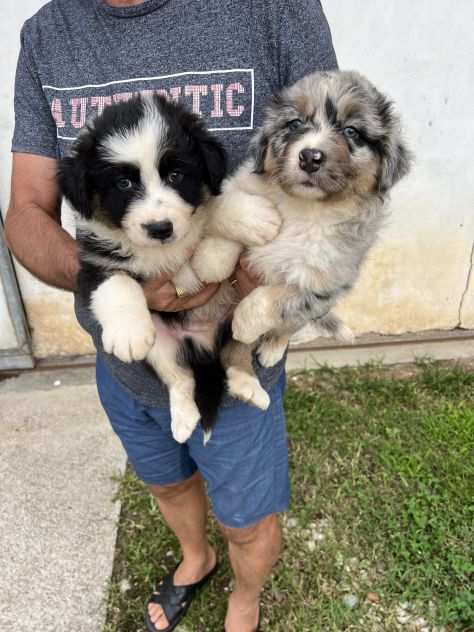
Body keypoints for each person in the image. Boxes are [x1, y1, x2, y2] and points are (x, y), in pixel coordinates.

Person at [6, 1, 337, 630]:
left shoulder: (276, 9)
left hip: (233, 334)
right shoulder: (46, 34)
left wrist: (237, 276)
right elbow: (27, 210)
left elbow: (328, 175)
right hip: (127, 363)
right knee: (165, 483)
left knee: (247, 517)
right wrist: (119, 280)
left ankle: (245, 595)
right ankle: (195, 557)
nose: (155, 209)